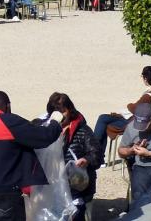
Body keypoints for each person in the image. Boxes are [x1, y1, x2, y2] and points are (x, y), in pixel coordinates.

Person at [0, 90, 62, 221]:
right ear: (8, 106)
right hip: (7, 194)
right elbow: (43, 138)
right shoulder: (9, 122)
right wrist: (55, 123)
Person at [45, 92, 99, 220]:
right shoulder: (45, 131)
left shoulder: (82, 130)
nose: (61, 116)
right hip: (54, 189)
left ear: (70, 109)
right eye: (56, 112)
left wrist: (86, 160)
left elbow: (97, 154)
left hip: (77, 188)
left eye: (63, 111)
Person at [96, 65, 151, 158]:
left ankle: (96, 154)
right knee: (104, 119)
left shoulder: (148, 95)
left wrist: (129, 105)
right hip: (140, 119)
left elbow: (135, 108)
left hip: (136, 121)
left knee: (103, 119)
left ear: (145, 78)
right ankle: (97, 155)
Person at [119, 101, 151, 211]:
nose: (143, 129)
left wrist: (150, 154)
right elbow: (121, 151)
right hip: (141, 166)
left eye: (145, 125)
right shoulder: (131, 127)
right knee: (138, 193)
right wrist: (131, 150)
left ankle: (135, 216)